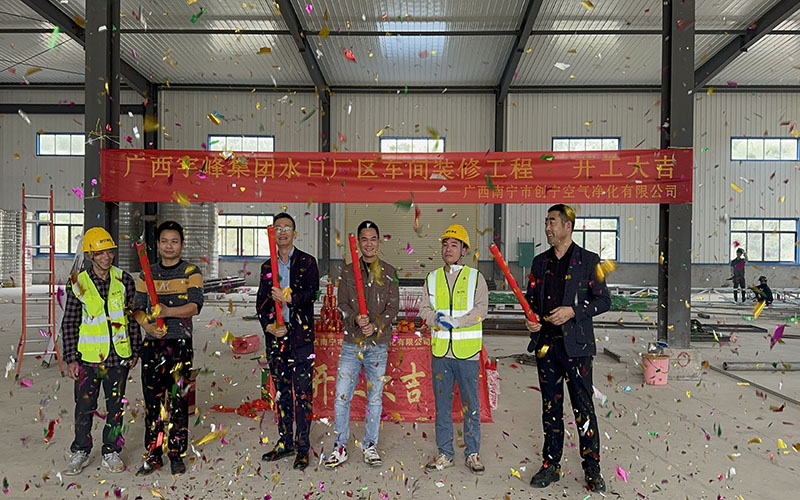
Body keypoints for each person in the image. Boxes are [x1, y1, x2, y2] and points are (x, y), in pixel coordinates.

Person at [524, 204, 610, 493]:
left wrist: (572, 311)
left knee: (583, 409)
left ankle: (592, 469)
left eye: (552, 222)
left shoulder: (588, 261)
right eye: (546, 222)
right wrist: (531, 320)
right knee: (551, 408)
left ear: (567, 226)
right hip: (546, 347)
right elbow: (531, 300)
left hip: (577, 347)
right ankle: (551, 465)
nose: (547, 228)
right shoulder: (540, 262)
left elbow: (604, 300)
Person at [61, 227, 141, 475]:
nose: (106, 257)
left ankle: (111, 451)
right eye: (100, 253)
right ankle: (81, 450)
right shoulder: (78, 283)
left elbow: (133, 317)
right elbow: (70, 322)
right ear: (90, 255)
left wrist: (135, 349)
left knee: (115, 406)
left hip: (118, 356)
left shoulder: (124, 279)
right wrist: (71, 359)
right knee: (84, 407)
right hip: (88, 358)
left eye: (109, 252)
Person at [325, 221, 399, 469]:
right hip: (351, 344)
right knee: (341, 397)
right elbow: (342, 304)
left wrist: (375, 325)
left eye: (373, 239)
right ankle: (340, 446)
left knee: (374, 399)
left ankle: (370, 446)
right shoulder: (347, 272)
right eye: (364, 239)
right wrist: (356, 318)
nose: (369, 244)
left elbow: (393, 308)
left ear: (379, 241)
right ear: (358, 243)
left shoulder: (389, 272)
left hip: (377, 345)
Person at [133, 221, 203, 475]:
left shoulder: (191, 271)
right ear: (158, 244)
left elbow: (195, 306)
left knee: (178, 401)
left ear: (182, 245)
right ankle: (154, 454)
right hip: (152, 345)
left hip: (180, 344)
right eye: (164, 241)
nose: (169, 246)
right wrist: (148, 326)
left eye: (174, 241)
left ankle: (176, 454)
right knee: (153, 404)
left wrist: (167, 312)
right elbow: (137, 308)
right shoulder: (147, 273)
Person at [419, 224, 488, 475]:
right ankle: (445, 453)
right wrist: (436, 320)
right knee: (443, 407)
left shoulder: (475, 278)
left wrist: (458, 322)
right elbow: (423, 309)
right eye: (445, 244)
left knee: (471, 405)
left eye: (454, 245)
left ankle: (472, 453)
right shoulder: (432, 278)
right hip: (441, 354)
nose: (448, 249)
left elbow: (481, 310)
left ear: (464, 251)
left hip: (467, 354)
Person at [257, 212, 319, 470]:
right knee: (281, 392)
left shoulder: (307, 262)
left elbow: (313, 293)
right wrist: (270, 327)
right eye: (278, 228)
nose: (282, 232)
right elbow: (261, 304)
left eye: (287, 227)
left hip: (301, 338)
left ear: (294, 233)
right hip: (276, 339)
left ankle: (302, 446)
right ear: (272, 233)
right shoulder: (266, 267)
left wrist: (290, 299)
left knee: (302, 394)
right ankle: (285, 442)